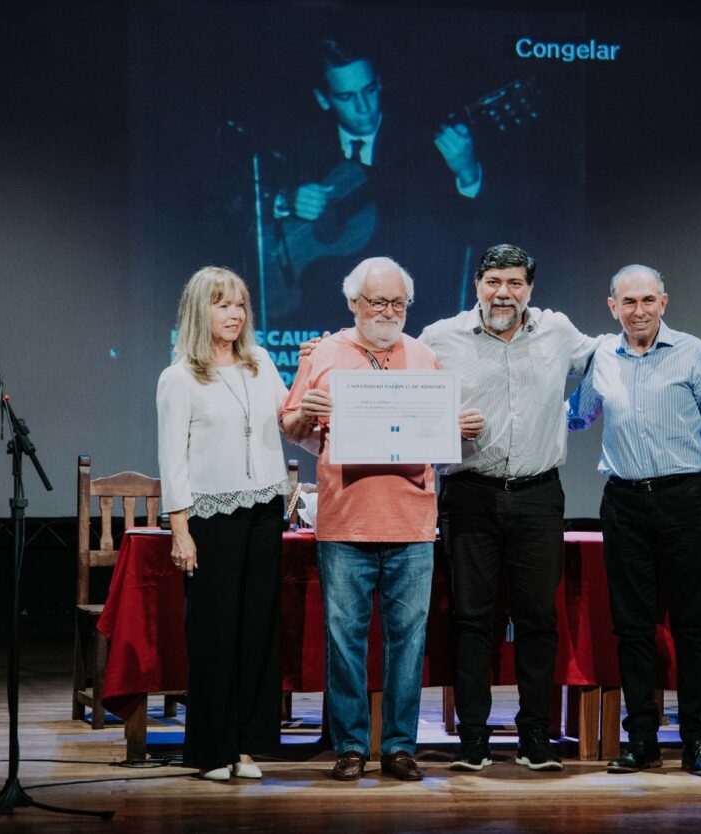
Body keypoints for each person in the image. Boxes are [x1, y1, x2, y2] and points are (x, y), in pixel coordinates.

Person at [280, 256, 483, 782]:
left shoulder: (424, 356)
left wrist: (456, 426)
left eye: (398, 303)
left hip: (412, 523)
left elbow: (439, 436)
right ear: (353, 303)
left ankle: (398, 746)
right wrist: (308, 410)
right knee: (344, 639)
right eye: (377, 302)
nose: (389, 311)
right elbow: (291, 422)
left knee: (408, 642)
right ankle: (350, 745)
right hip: (345, 522)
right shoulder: (323, 353)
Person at [418, 243, 598, 771]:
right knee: (472, 619)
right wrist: (444, 424)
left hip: (539, 495)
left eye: (515, 283)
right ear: (477, 284)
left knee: (538, 620)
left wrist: (581, 413)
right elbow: (405, 398)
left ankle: (534, 737)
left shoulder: (558, 332)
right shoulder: (439, 338)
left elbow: (608, 361)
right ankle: (473, 737)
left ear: (530, 290)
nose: (504, 292)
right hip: (469, 494)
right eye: (494, 280)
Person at [567, 264, 701, 777]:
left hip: (686, 499)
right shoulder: (602, 356)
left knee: (690, 629)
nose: (638, 311)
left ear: (663, 302)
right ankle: (641, 740)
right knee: (633, 629)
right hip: (623, 502)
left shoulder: (693, 352)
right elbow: (577, 416)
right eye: (628, 302)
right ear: (612, 307)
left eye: (647, 301)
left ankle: (696, 743)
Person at [157, 266, 291, 781]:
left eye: (239, 305)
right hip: (211, 516)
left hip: (263, 512)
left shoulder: (259, 362)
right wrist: (181, 530)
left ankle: (248, 747)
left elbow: (289, 418)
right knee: (214, 633)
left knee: (258, 630)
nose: (233, 314)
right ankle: (212, 749)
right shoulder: (179, 377)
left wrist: (312, 377)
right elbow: (174, 460)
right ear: (199, 310)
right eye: (221, 304)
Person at [264, 38, 485, 330]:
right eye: (346, 97)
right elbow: (229, 202)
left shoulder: (419, 142)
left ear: (379, 84)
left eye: (369, 90)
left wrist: (467, 172)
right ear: (323, 98)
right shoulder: (300, 145)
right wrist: (287, 201)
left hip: (403, 320)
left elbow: (468, 230)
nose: (363, 107)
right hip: (315, 317)